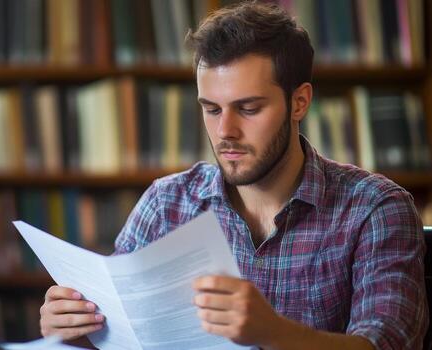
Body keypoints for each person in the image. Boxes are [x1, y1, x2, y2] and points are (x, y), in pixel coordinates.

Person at [39, 2, 428, 349]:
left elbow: (386, 343)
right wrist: (78, 332)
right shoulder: (166, 203)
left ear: (300, 102)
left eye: (248, 108)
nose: (225, 131)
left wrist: (274, 333)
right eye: (211, 109)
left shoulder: (375, 208)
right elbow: (123, 333)